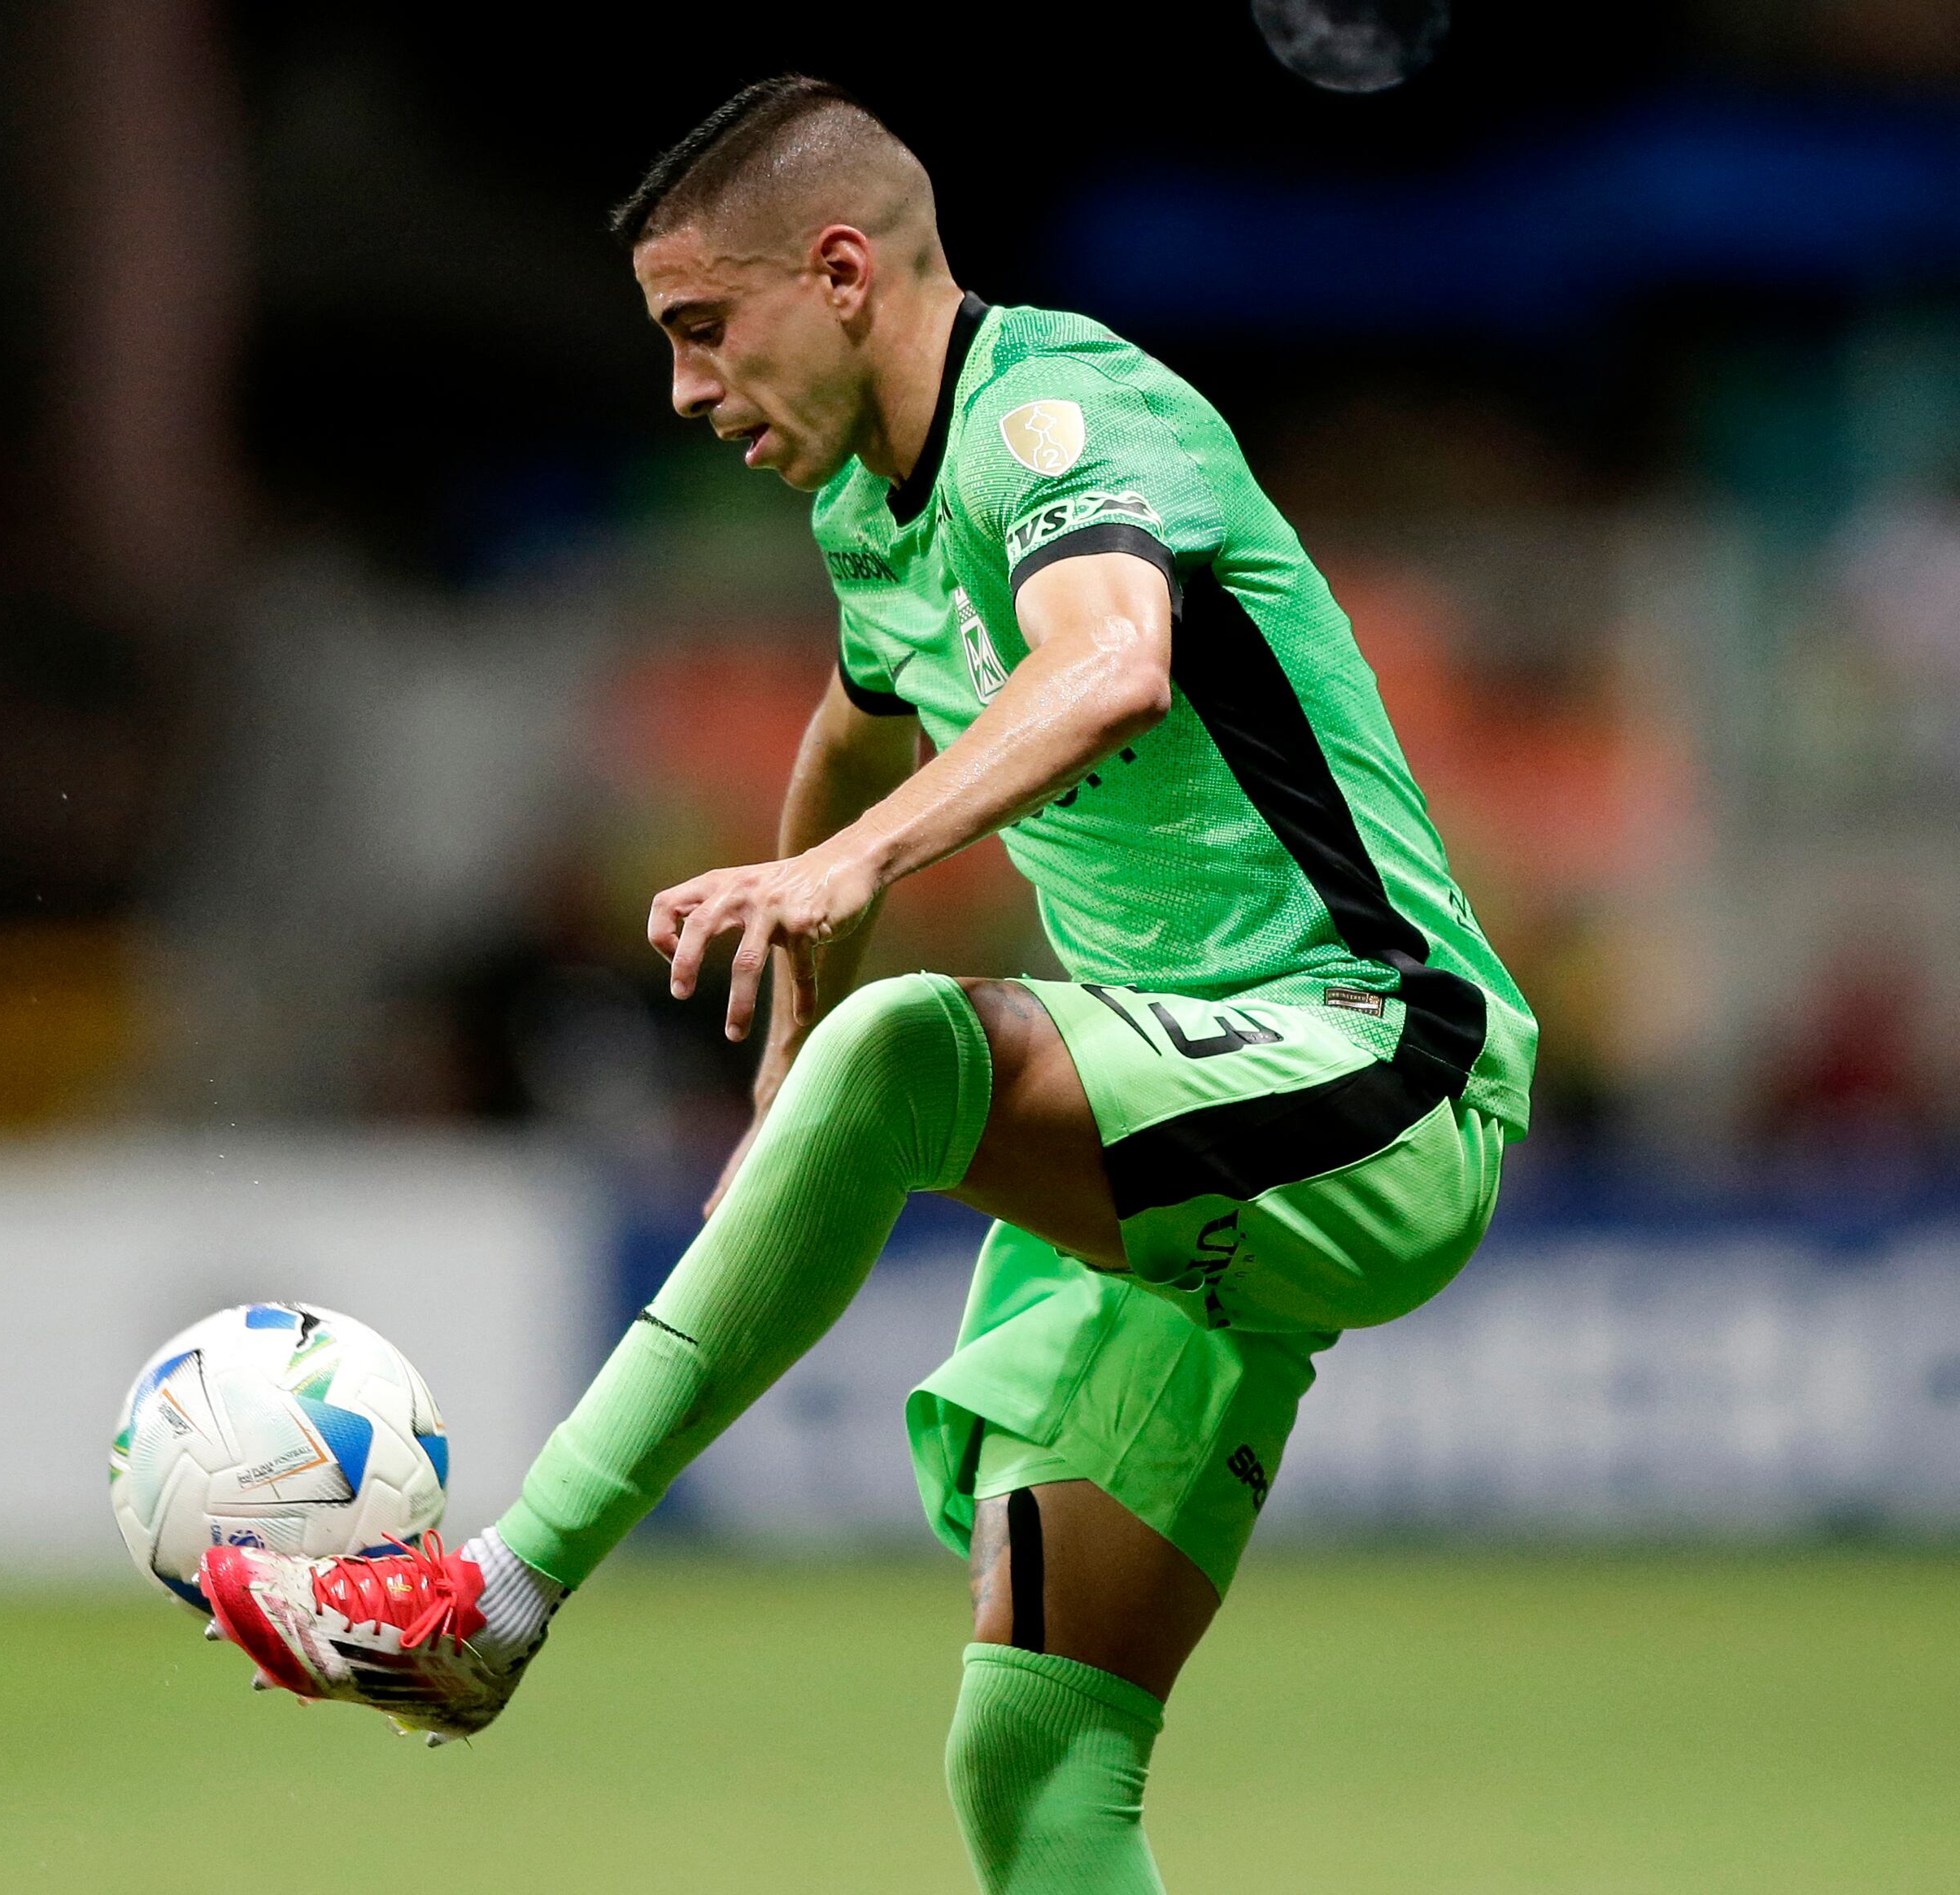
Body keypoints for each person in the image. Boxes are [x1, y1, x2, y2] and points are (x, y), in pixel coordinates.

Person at [203, 74, 1533, 1893]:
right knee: (1034, 1759)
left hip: (1373, 1065)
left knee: (922, 1042)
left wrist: (851, 887)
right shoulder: (867, 515)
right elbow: (850, 725)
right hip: (1196, 1151)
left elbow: (1112, 664)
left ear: (837, 274)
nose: (681, 391)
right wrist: (786, 1072)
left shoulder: (1056, 419)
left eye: (700, 330)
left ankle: (496, 1595)